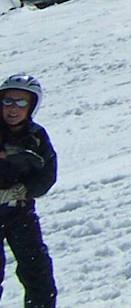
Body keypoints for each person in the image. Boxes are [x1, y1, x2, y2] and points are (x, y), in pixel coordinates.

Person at [0, 74, 57, 308]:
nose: (14, 108)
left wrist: (23, 190)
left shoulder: (36, 136)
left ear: (32, 105)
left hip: (20, 212)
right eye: (8, 101)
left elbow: (47, 174)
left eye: (21, 102)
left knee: (38, 273)